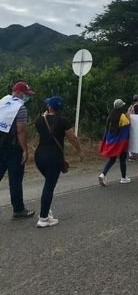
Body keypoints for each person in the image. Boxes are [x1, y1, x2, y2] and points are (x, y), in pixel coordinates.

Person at [34, 96, 83, 227]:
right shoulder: (63, 121)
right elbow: (72, 138)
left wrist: (45, 116)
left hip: (39, 156)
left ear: (50, 107)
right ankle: (43, 218)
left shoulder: (39, 121)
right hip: (54, 157)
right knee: (49, 186)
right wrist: (79, 151)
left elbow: (42, 125)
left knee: (48, 183)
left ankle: (46, 211)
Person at [0, 81, 35, 218]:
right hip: (13, 149)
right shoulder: (20, 108)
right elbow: (20, 131)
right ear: (20, 93)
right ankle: (18, 209)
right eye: (26, 94)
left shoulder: (3, 101)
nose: (27, 97)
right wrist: (25, 150)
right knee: (15, 180)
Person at [98, 99, 131, 186]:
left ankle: (103, 174)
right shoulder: (122, 117)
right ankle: (123, 178)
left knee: (112, 159)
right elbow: (127, 128)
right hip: (121, 142)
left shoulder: (110, 116)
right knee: (122, 160)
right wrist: (129, 117)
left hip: (112, 141)